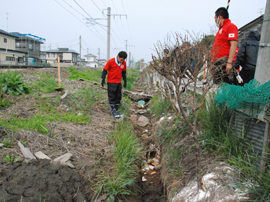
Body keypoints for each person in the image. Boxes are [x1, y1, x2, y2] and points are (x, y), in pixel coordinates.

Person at [211, 7, 238, 84]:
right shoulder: (220, 30)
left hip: (224, 62)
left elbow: (234, 44)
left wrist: (229, 62)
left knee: (226, 86)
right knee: (218, 85)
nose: (215, 21)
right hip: (217, 63)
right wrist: (212, 64)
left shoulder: (230, 26)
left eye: (215, 18)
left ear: (220, 17)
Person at [101, 51, 127, 118]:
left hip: (118, 82)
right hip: (111, 82)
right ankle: (113, 111)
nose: (122, 61)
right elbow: (105, 70)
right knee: (112, 97)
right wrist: (103, 79)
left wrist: (125, 81)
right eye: (121, 60)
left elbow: (124, 73)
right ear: (118, 57)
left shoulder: (124, 63)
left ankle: (117, 110)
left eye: (123, 60)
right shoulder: (111, 61)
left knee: (118, 96)